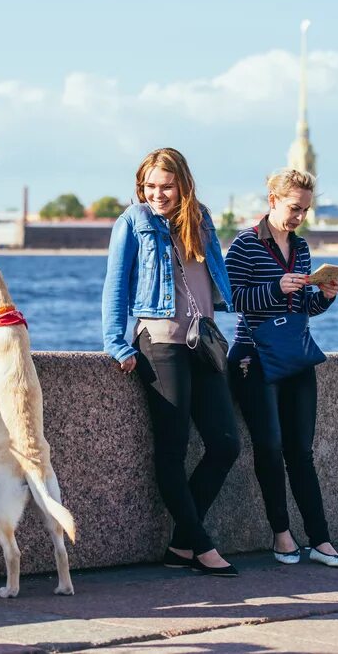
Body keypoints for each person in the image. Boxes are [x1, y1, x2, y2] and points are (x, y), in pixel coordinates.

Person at [102, 147, 241, 576]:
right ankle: (201, 545)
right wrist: (116, 344)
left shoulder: (200, 219)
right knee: (172, 450)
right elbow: (115, 286)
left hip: (203, 342)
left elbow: (216, 277)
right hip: (159, 342)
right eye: (149, 186)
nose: (158, 194)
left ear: (183, 184)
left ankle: (182, 544)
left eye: (166, 186)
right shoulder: (133, 222)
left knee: (225, 444)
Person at [224, 168, 338, 568]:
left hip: (295, 355)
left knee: (301, 451)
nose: (299, 216)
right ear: (273, 201)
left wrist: (325, 296)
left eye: (305, 210)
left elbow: (300, 309)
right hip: (253, 357)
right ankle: (281, 535)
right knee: (270, 447)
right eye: (295, 208)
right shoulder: (245, 244)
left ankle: (321, 540)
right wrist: (275, 288)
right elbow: (231, 300)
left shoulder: (302, 247)